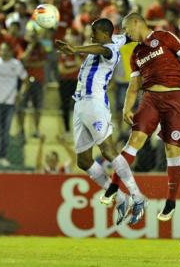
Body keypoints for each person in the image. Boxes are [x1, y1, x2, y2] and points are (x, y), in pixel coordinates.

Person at [103, 12, 180, 222]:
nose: (126, 34)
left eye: (127, 29)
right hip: (150, 98)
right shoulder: (135, 53)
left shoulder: (165, 37)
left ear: (136, 23)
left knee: (172, 150)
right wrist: (127, 107)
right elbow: (134, 85)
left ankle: (171, 202)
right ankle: (113, 186)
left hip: (175, 97)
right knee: (134, 141)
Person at [55, 18, 146, 226]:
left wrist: (75, 49)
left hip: (95, 103)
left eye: (94, 32)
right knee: (84, 161)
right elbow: (127, 37)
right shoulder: (117, 39)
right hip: (80, 104)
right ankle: (121, 199)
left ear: (105, 34)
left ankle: (138, 197)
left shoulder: (110, 48)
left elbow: (102, 48)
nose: (91, 35)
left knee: (107, 150)